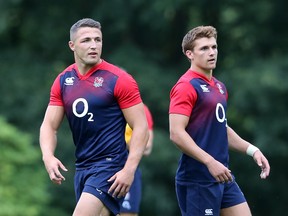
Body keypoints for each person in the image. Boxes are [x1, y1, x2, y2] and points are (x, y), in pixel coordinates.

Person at [39, 18, 149, 216]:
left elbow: (141, 127)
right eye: (86, 40)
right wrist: (48, 156)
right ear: (72, 45)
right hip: (82, 167)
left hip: (111, 166)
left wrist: (129, 169)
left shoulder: (119, 79)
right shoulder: (63, 80)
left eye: (98, 40)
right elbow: (49, 125)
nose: (93, 45)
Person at [169, 25, 270, 216]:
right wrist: (209, 162)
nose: (212, 52)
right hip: (198, 180)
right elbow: (176, 133)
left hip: (222, 176)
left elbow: (220, 128)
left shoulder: (219, 87)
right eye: (204, 48)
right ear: (189, 54)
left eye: (214, 47)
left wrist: (253, 150)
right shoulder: (185, 86)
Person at [120, 104, 154, 216]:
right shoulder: (104, 104)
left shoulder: (142, 109)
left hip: (128, 167)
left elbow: (147, 147)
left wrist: (124, 143)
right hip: (101, 165)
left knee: (128, 213)